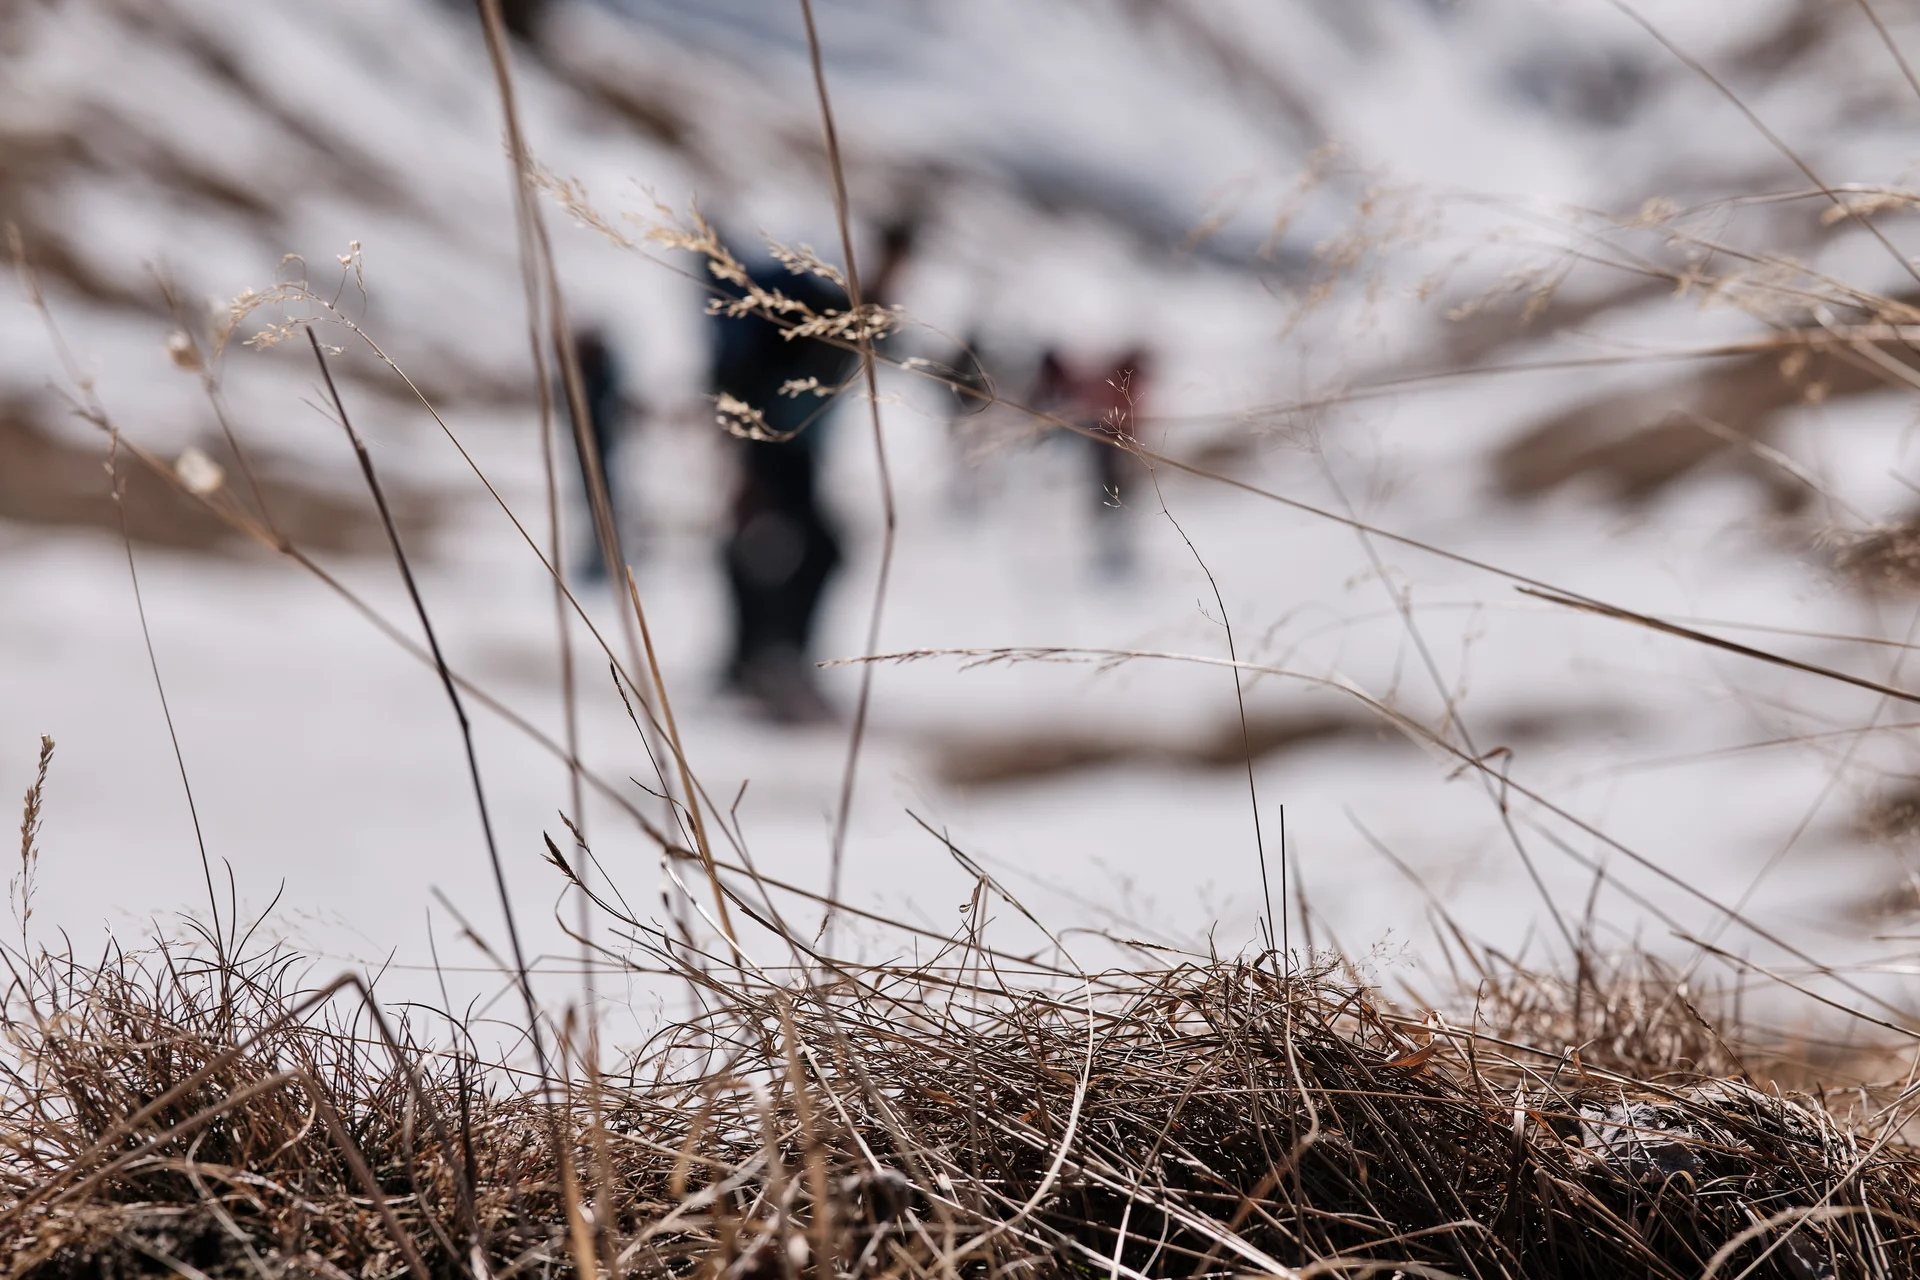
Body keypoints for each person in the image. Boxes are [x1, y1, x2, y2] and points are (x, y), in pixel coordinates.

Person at [712, 224, 913, 722]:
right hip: (775, 447)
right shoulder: (822, 310)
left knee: (766, 547)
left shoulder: (844, 311)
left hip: (785, 447)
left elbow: (882, 333)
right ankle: (773, 663)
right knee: (810, 548)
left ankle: (753, 661)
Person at [566, 328, 628, 583]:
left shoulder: (600, 379)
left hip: (600, 450)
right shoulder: (590, 377)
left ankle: (608, 556)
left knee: (604, 503)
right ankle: (601, 554)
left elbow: (605, 414)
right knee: (594, 503)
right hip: (589, 450)